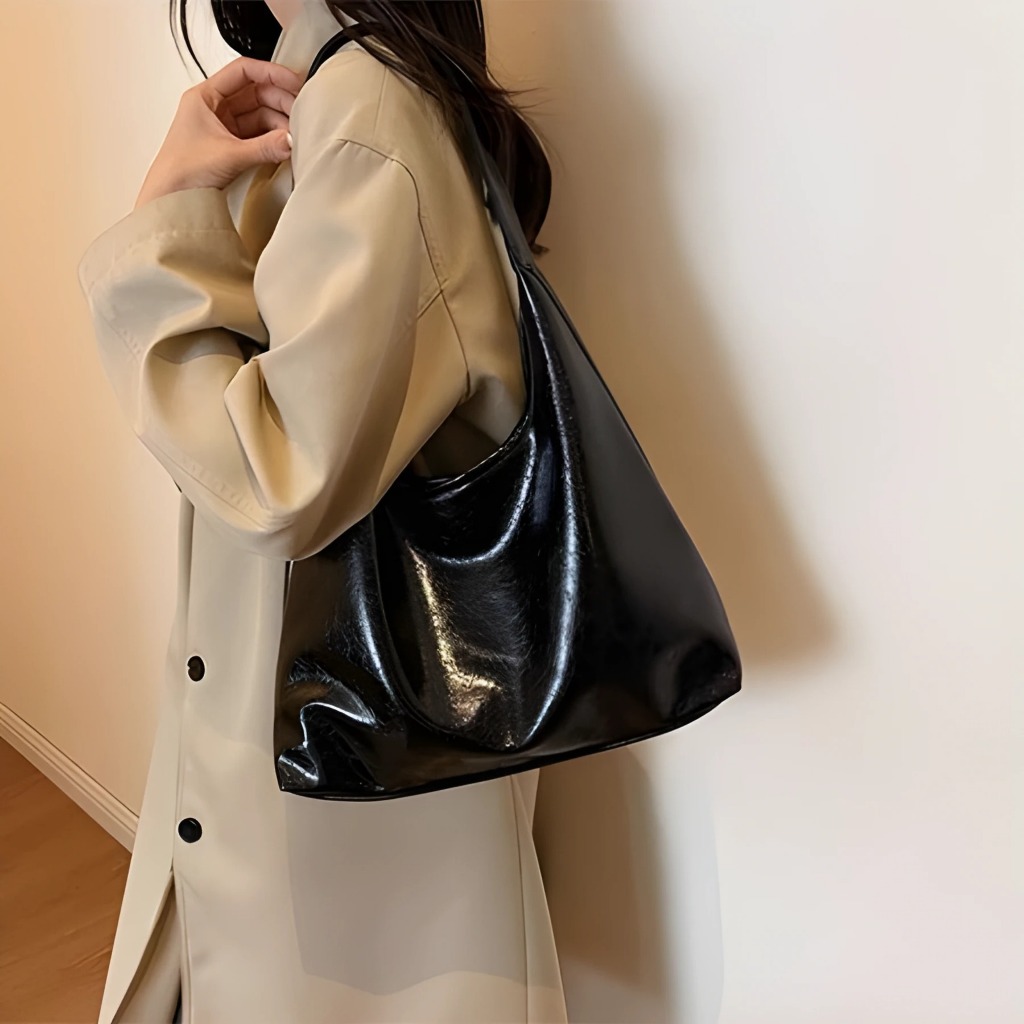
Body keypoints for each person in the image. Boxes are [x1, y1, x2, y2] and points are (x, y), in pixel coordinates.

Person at [75, 1, 566, 1021]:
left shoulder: (365, 109)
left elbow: (278, 479)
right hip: (324, 734)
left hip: (335, 761)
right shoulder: (357, 84)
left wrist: (161, 219)